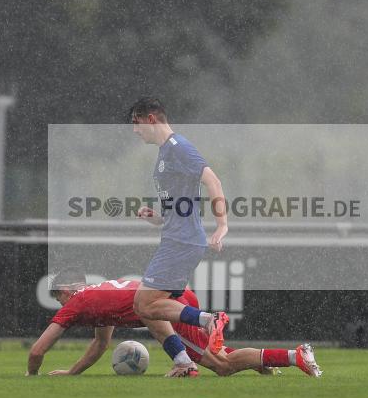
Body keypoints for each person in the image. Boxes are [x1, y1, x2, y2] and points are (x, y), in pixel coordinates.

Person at [26, 275, 322, 378]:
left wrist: (32, 374)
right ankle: (286, 357)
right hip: (172, 295)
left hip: (168, 303)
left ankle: (200, 335)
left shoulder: (77, 302)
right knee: (225, 355)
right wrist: (72, 372)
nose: (61, 304)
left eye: (58, 298)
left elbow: (38, 350)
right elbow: (100, 344)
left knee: (222, 366)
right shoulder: (95, 296)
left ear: (66, 292)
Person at [128, 97, 230, 376]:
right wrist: (157, 217)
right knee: (148, 308)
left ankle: (208, 321)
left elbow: (213, 180)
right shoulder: (165, 153)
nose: (135, 131)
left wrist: (222, 225)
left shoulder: (178, 147)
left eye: (136, 124)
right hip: (177, 237)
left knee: (144, 304)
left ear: (150, 119)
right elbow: (180, 206)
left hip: (182, 242)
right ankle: (184, 361)